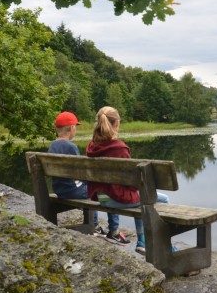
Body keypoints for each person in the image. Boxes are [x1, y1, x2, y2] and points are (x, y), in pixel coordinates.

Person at [85, 106, 170, 254]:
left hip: (99, 197)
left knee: (142, 197)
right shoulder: (119, 148)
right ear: (116, 123)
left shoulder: (91, 146)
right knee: (160, 198)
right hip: (117, 198)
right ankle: (147, 242)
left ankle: (143, 241)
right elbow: (133, 182)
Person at [47, 110, 117, 237]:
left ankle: (95, 224)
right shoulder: (71, 147)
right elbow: (81, 173)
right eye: (76, 127)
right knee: (104, 192)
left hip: (60, 190)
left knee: (91, 187)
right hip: (74, 190)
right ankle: (108, 229)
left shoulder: (52, 146)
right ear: (72, 128)